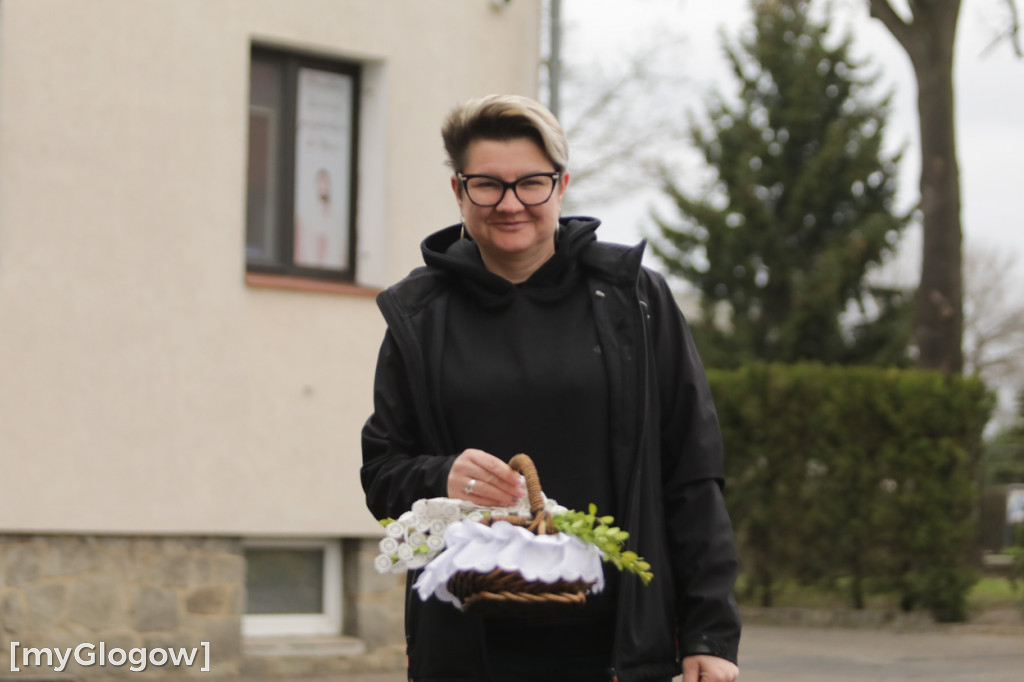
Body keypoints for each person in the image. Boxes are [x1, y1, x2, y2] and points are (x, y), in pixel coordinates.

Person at [361, 94, 741, 682]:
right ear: (459, 191)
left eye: (531, 183)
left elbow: (692, 472)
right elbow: (382, 474)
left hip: (617, 647)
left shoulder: (634, 300)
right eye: (487, 185)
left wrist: (709, 632)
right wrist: (441, 476)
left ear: (561, 186)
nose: (510, 204)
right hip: (470, 650)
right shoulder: (420, 316)